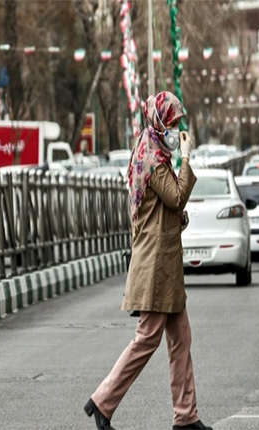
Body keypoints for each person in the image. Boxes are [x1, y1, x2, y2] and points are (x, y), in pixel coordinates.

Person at [85, 92, 212, 430]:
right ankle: (102, 401)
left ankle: (186, 417)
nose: (177, 129)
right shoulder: (154, 159)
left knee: (181, 338)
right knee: (147, 338)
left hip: (165, 262)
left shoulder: (153, 153)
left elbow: (162, 211)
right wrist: (186, 159)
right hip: (156, 265)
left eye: (179, 124)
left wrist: (176, 219)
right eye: (173, 123)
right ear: (159, 122)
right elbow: (176, 196)